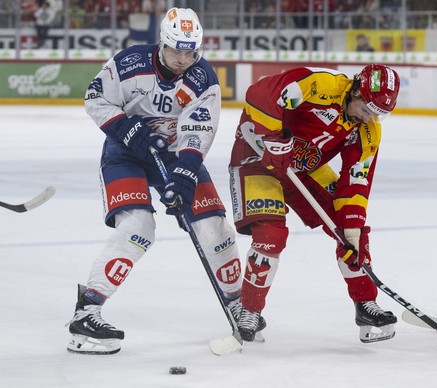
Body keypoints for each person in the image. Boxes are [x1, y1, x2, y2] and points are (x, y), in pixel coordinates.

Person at [67, 7, 251, 355]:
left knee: (213, 225)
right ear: (162, 43)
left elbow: (199, 129)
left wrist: (184, 172)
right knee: (138, 226)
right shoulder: (128, 63)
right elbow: (95, 99)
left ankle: (236, 303)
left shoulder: (203, 78)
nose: (183, 59)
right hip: (125, 154)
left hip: (175, 154)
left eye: (190, 51)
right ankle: (86, 311)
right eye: (176, 50)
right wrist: (126, 127)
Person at [228, 64, 400, 343]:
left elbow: (356, 181)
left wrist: (352, 226)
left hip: (304, 169)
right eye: (367, 109)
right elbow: (261, 93)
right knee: (270, 235)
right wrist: (272, 138)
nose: (369, 119)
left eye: (378, 114)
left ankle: (365, 304)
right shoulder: (322, 87)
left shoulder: (367, 131)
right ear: (356, 89)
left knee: (350, 233)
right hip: (257, 158)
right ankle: (249, 310)